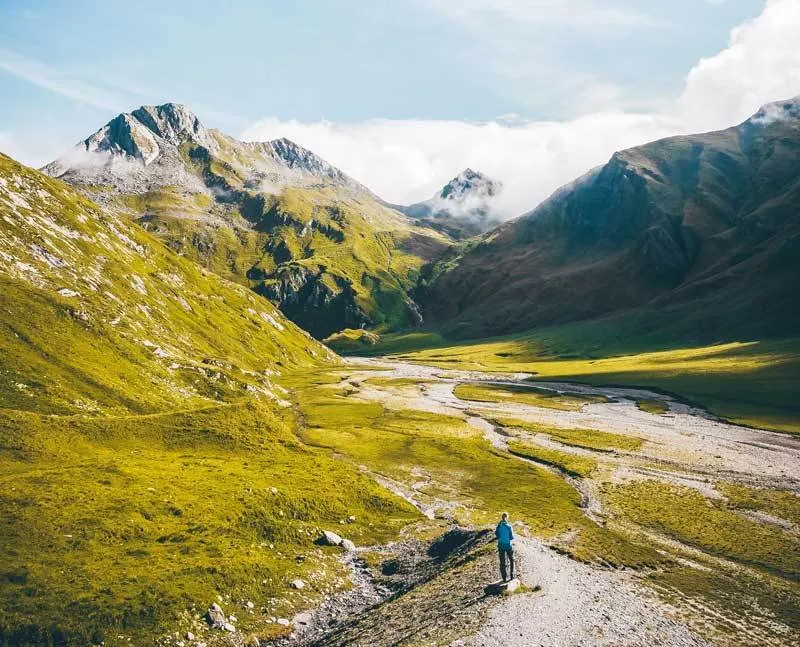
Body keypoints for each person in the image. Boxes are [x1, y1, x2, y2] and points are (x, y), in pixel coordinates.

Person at [495, 511, 515, 582]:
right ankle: (512, 575)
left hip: (500, 545)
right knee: (512, 560)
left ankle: (504, 578)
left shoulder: (499, 525)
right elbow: (512, 537)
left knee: (502, 561)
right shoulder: (509, 526)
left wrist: (500, 538)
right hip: (508, 545)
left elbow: (496, 533)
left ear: (502, 517)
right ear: (507, 517)